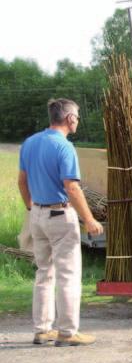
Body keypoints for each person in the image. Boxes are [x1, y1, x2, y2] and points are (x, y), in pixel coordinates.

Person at [18, 98, 104, 346]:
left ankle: (42, 329)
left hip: (37, 215)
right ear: (69, 119)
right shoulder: (64, 147)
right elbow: (72, 187)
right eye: (76, 116)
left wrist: (30, 207)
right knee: (68, 273)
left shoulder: (30, 143)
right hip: (59, 216)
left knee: (44, 273)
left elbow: (22, 181)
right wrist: (89, 219)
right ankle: (67, 332)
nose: (77, 121)